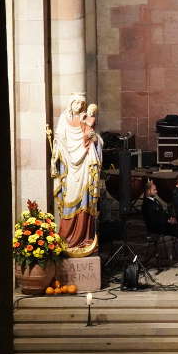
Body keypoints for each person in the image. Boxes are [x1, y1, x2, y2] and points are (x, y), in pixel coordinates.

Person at [50, 93, 102, 256]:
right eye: (76, 102)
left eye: (82, 103)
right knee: (69, 200)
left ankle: (85, 238)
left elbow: (97, 141)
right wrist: (57, 155)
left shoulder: (86, 119)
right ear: (70, 103)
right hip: (70, 166)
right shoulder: (64, 121)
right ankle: (67, 239)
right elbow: (59, 141)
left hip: (86, 162)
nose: (79, 106)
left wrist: (95, 139)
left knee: (85, 200)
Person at [141, 181, 178, 248]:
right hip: (156, 228)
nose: (156, 191)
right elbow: (153, 219)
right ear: (148, 191)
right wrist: (168, 221)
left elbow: (162, 213)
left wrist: (170, 218)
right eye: (154, 190)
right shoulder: (146, 204)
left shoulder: (153, 200)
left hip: (162, 224)